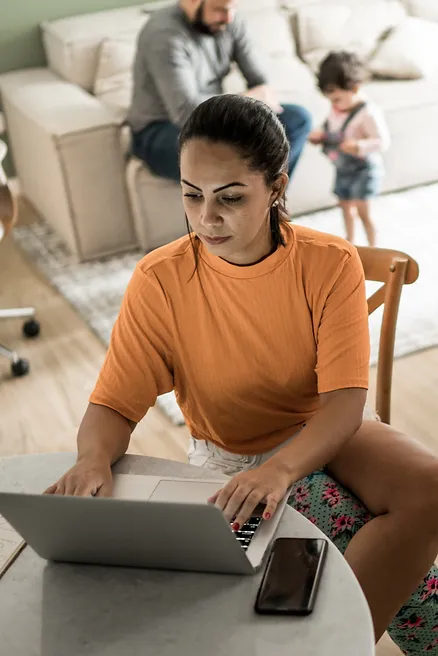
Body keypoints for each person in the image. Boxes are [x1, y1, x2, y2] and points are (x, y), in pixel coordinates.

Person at [47, 95, 438, 654]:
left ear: (277, 187)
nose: (207, 217)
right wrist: (90, 460)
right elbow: (114, 402)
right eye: (191, 194)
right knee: (320, 545)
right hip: (229, 450)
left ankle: (330, 647)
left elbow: (345, 404)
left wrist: (280, 470)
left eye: (230, 197)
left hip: (324, 428)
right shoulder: (159, 279)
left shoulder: (330, 262)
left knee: (430, 487)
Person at [127, 0, 311, 183]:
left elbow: (259, 81)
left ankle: (268, 204)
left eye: (232, 9)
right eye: (219, 9)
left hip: (215, 121)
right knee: (229, 151)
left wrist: (259, 96)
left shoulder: (229, 21)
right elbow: (186, 112)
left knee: (296, 120)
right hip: (162, 130)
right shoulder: (164, 34)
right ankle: (255, 205)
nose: (228, 18)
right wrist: (248, 101)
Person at [308, 51, 390, 247]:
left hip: (364, 170)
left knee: (364, 212)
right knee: (345, 206)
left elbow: (383, 142)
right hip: (343, 169)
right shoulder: (337, 109)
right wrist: (320, 134)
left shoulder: (367, 113)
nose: (333, 104)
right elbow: (331, 127)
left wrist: (359, 146)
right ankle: (350, 243)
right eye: (330, 100)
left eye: (337, 99)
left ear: (354, 88)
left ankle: (373, 247)